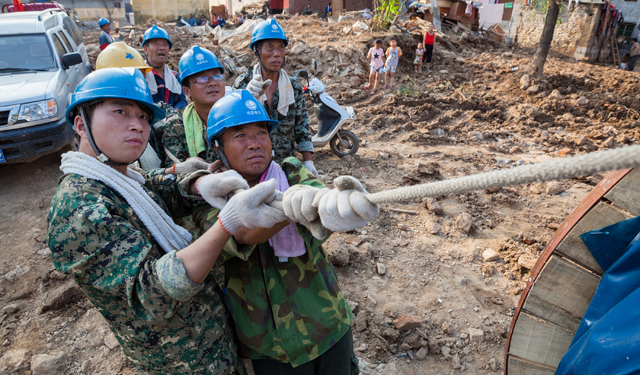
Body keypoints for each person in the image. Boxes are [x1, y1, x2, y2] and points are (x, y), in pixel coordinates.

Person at [47, 66, 286, 375]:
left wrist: (196, 182)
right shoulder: (80, 208)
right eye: (120, 112)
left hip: (213, 346)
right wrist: (226, 223)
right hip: (178, 362)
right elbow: (152, 293)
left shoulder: (120, 177)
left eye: (144, 117)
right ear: (81, 124)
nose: (137, 126)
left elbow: (151, 183)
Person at [200, 89, 380, 375]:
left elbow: (322, 202)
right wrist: (288, 208)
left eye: (261, 133)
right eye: (240, 136)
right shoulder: (212, 196)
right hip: (270, 348)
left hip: (328, 324)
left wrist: (340, 204)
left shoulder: (291, 172)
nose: (255, 144)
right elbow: (242, 234)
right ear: (218, 148)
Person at [95, 42, 204, 173]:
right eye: (137, 77)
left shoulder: (157, 109)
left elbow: (174, 117)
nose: (145, 82)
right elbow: (133, 177)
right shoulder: (106, 133)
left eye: (144, 76)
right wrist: (173, 171)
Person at [233, 19, 317, 176]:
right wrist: (245, 99)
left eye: (280, 47)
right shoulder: (243, 85)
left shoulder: (294, 88)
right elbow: (233, 127)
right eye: (269, 48)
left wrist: (308, 161)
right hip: (252, 167)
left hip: (285, 166)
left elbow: (302, 127)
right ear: (256, 51)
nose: (277, 54)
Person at [163, 46, 226, 166]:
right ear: (187, 91)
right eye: (202, 78)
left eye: (217, 76)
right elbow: (175, 172)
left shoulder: (236, 116)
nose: (213, 83)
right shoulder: (176, 126)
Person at [143, 25, 188, 111]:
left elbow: (182, 100)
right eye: (156, 44)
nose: (161, 48)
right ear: (146, 49)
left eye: (165, 44)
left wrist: (173, 113)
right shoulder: (141, 75)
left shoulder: (174, 76)